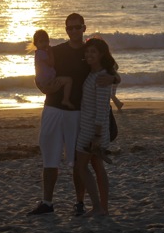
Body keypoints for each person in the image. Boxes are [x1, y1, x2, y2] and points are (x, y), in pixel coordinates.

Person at [27, 13, 119, 216]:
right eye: (70, 28)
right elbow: (40, 69)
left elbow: (108, 67)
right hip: (52, 108)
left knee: (78, 163)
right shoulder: (56, 51)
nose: (74, 31)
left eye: (78, 27)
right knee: (49, 157)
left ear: (84, 28)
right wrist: (39, 84)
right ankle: (47, 202)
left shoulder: (88, 53)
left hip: (78, 114)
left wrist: (113, 78)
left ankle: (79, 202)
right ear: (66, 30)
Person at [74, 38, 117, 216]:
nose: (89, 54)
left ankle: (98, 207)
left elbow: (102, 109)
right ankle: (103, 208)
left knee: (81, 167)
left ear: (101, 54)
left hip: (92, 131)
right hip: (90, 128)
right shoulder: (95, 73)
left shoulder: (101, 77)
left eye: (93, 52)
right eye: (87, 51)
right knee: (98, 167)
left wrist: (97, 136)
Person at [31, 29, 74, 109]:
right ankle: (65, 99)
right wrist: (50, 52)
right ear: (35, 44)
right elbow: (51, 63)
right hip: (48, 80)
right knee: (68, 80)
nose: (44, 44)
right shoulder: (41, 53)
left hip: (45, 80)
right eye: (41, 42)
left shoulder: (39, 53)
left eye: (46, 41)